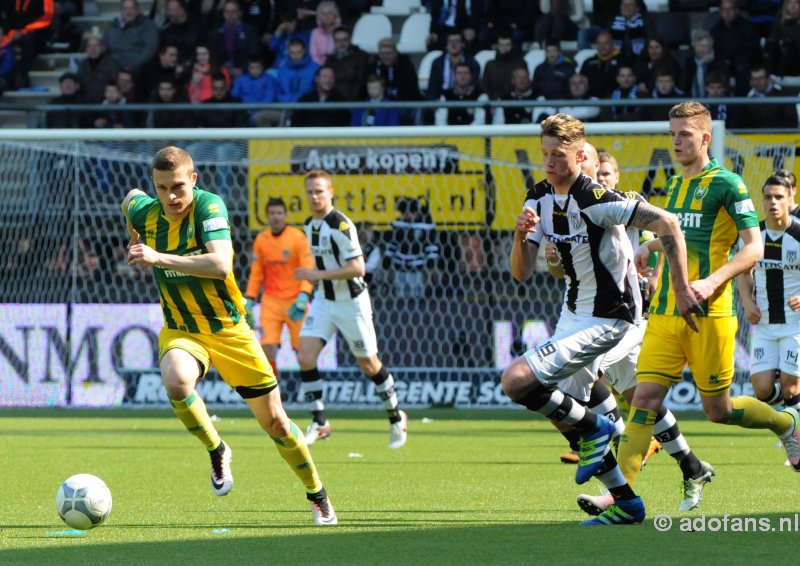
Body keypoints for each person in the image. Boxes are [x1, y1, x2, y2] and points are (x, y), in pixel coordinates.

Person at [120, 146, 337, 525]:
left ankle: (316, 492)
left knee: (277, 425)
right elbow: (129, 201)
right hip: (183, 330)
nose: (170, 196)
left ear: (194, 180)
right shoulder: (148, 210)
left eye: (177, 187)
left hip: (229, 331)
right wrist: (134, 236)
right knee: (175, 379)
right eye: (161, 187)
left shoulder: (208, 207)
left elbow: (221, 265)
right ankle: (217, 449)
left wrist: (156, 257)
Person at [504, 113, 700, 525]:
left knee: (517, 380)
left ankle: (600, 429)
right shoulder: (537, 196)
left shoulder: (594, 197)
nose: (549, 162)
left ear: (578, 154)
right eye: (544, 154)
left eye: (557, 155)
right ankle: (627, 503)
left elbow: (667, 222)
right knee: (566, 417)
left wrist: (681, 289)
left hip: (611, 318)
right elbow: (521, 273)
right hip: (572, 314)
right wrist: (521, 235)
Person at [616, 102, 800, 500]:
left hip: (709, 311)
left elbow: (753, 248)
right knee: (644, 399)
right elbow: (680, 237)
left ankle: (787, 424)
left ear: (705, 137)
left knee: (719, 411)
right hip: (665, 311)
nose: (676, 141)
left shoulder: (728, 184)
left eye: (684, 134)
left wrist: (712, 281)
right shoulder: (674, 183)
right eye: (672, 134)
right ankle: (621, 498)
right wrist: (651, 245)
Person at [295, 169, 408, 449]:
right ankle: (320, 423)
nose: (314, 196)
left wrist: (316, 276)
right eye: (310, 191)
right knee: (305, 356)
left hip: (351, 303)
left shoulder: (341, 225)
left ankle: (396, 416)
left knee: (369, 364)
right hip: (324, 301)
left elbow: (358, 268)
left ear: (331, 192)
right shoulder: (309, 224)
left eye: (319, 191)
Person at [737, 175, 800, 413]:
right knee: (762, 390)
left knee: (790, 388)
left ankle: (794, 435)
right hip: (763, 322)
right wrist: (746, 301)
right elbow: (743, 272)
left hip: (795, 323)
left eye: (778, 197)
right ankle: (793, 415)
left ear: (789, 199)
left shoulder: (798, 234)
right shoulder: (754, 237)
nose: (772, 202)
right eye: (767, 197)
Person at [245, 197, 314, 382]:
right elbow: (257, 272)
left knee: (303, 352)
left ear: (285, 215)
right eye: (272, 213)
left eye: (279, 213)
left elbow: (308, 268)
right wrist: (249, 300)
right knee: (268, 348)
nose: (276, 217)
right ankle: (273, 395)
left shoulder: (298, 238)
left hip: (295, 301)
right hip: (271, 301)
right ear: (267, 216)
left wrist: (303, 296)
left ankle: (311, 394)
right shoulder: (261, 239)